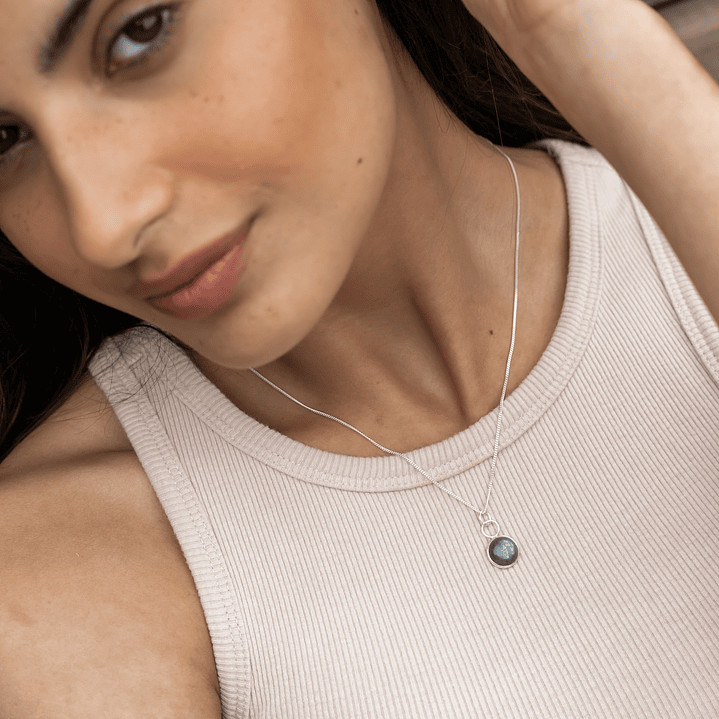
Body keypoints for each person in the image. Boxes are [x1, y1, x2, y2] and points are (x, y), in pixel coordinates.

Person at [0, 0, 717, 715]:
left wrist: (569, 31)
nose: (103, 225)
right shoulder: (66, 567)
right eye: (2, 138)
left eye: (139, 34)